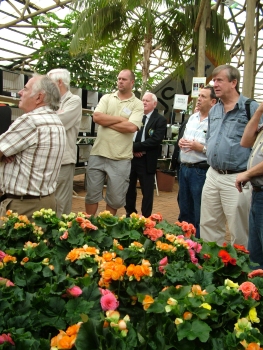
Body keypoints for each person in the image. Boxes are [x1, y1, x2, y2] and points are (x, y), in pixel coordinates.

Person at [200, 64, 259, 247]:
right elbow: (210, 137)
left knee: (239, 229)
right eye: (213, 80)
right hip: (212, 174)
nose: (214, 84)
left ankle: (240, 269)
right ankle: (212, 266)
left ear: (233, 83)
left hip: (237, 178)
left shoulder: (251, 108)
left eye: (219, 80)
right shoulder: (215, 109)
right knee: (208, 225)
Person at [0, 74, 66, 221]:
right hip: (46, 202)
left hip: (22, 207)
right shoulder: (56, 122)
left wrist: (3, 155)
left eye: (25, 88)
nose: (20, 93)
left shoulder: (30, 121)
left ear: (38, 98)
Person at [85, 69, 144, 216]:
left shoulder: (137, 104)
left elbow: (131, 127)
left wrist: (107, 122)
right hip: (98, 153)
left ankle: (106, 228)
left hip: (120, 158)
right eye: (119, 79)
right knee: (92, 195)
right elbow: (97, 117)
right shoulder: (107, 98)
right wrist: (120, 120)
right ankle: (88, 226)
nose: (120, 81)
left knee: (115, 199)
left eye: (124, 79)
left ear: (132, 82)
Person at [178, 87, 218, 238]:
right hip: (184, 169)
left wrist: (199, 147)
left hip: (200, 171)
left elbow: (215, 149)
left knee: (199, 211)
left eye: (203, 96)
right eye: (199, 95)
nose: (199, 99)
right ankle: (183, 244)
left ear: (213, 102)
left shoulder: (215, 122)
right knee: (184, 209)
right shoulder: (193, 118)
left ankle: (199, 245)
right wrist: (181, 142)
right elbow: (184, 139)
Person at [124, 92, 166, 218]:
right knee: (129, 189)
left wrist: (135, 147)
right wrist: (132, 149)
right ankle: (130, 214)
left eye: (147, 100)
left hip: (146, 160)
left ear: (154, 103)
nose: (144, 102)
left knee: (147, 191)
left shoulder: (160, 120)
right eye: (143, 100)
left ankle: (146, 218)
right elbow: (127, 134)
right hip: (131, 159)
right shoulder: (134, 117)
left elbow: (155, 140)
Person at [47, 68, 82, 217]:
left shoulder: (74, 100)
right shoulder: (49, 102)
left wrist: (49, 116)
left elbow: (59, 123)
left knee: (61, 203)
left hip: (63, 160)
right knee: (48, 202)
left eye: (49, 83)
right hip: (47, 159)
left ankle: (60, 237)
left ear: (59, 82)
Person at [235, 102, 263, 268]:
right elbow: (245, 141)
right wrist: (259, 111)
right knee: (255, 252)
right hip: (257, 193)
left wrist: (248, 173)